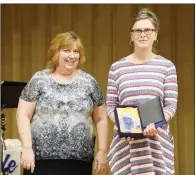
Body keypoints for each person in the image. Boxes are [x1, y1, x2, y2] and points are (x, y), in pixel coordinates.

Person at [16, 31, 108, 175]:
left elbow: (101, 118)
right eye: (66, 51)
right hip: (40, 161)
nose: (72, 56)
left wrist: (102, 151)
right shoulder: (39, 79)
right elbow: (23, 115)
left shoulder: (89, 82)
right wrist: (27, 148)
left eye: (76, 52)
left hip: (80, 163)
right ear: (55, 53)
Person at [106, 8, 178, 175]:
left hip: (157, 143)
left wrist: (155, 124)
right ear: (131, 36)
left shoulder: (166, 67)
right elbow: (110, 105)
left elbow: (170, 105)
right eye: (137, 30)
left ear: (155, 35)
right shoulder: (117, 68)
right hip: (126, 144)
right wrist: (123, 125)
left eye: (148, 30)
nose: (143, 34)